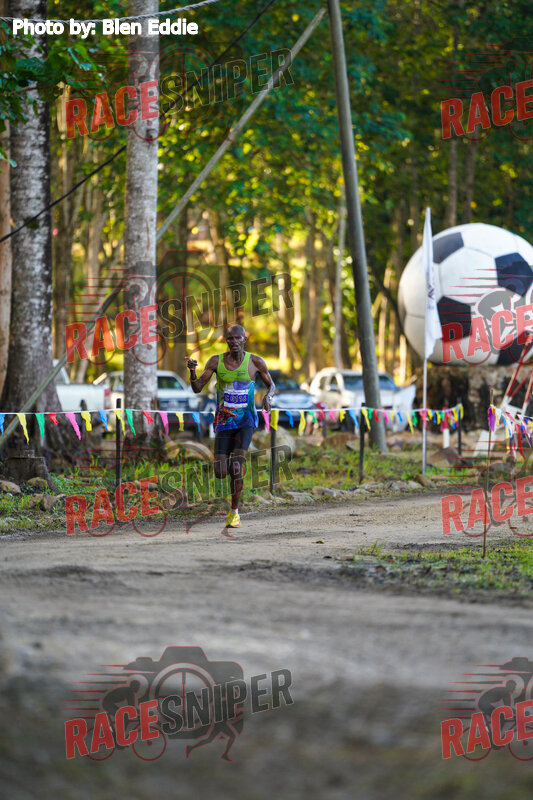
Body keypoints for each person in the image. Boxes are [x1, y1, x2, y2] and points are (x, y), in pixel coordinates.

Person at [186, 325, 275, 528]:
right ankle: (233, 488)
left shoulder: (255, 362)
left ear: (244, 339)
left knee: (236, 466)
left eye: (237, 338)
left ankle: (234, 513)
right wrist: (192, 371)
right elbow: (197, 388)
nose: (234, 342)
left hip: (245, 422)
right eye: (230, 339)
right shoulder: (216, 361)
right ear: (226, 341)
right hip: (224, 422)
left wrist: (268, 398)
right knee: (221, 472)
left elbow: (271, 385)